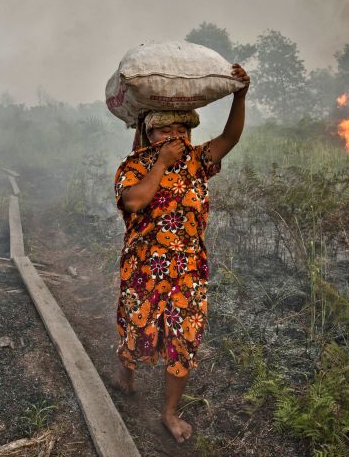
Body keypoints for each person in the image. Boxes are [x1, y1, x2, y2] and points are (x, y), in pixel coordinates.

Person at [113, 64, 250, 443]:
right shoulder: (134, 167)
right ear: (148, 131)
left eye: (182, 129)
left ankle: (169, 413)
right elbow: (136, 201)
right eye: (165, 129)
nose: (175, 135)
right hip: (143, 270)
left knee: (183, 340)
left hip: (187, 270)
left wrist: (240, 95)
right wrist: (160, 163)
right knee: (137, 331)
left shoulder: (198, 163)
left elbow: (231, 137)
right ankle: (126, 368)